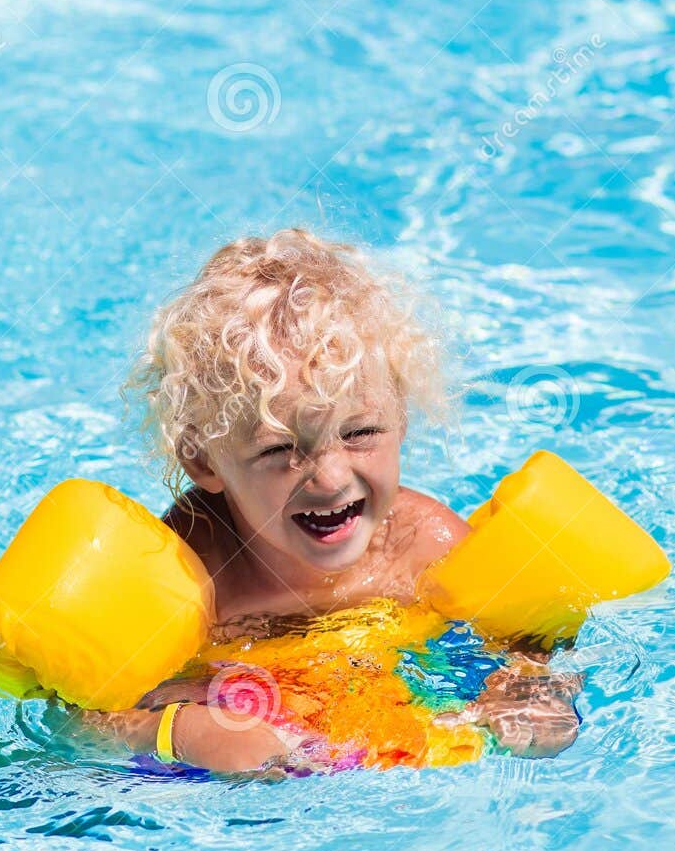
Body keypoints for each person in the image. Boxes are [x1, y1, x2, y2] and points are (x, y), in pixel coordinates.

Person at [86, 229, 580, 772]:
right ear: (204, 462)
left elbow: (528, 642)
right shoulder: (186, 575)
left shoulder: (426, 547)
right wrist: (177, 732)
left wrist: (530, 690)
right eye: (280, 448)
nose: (329, 479)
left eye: (361, 432)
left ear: (401, 417)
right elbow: (76, 717)